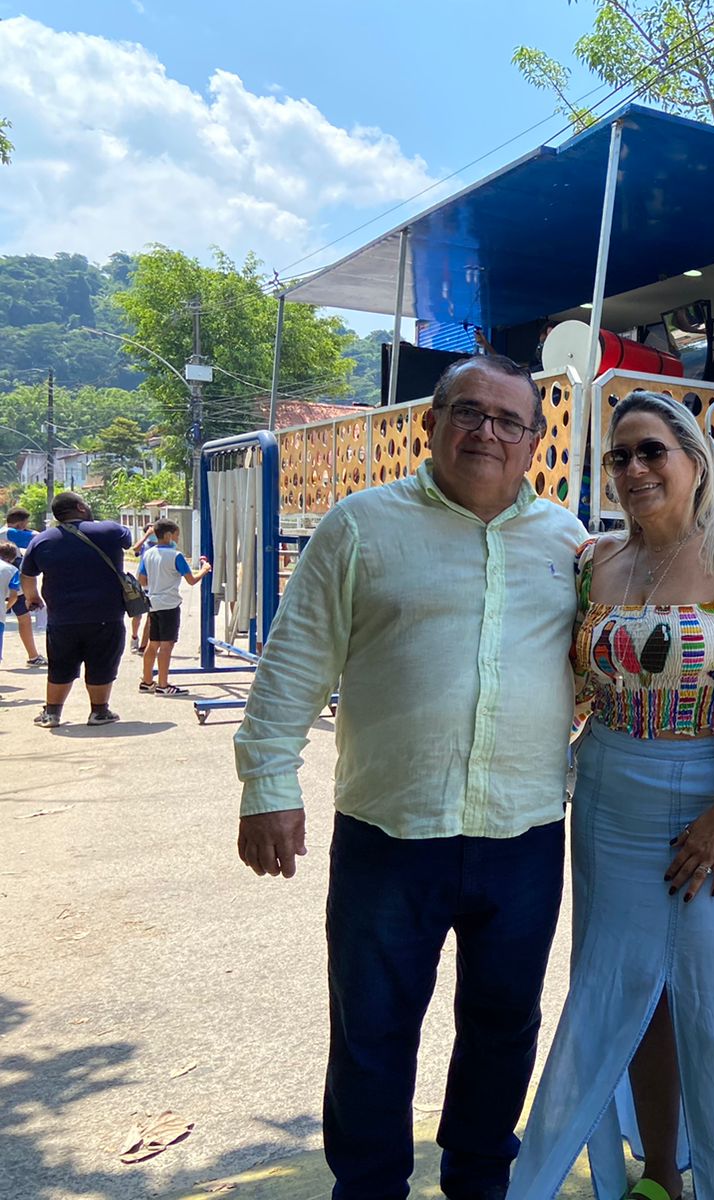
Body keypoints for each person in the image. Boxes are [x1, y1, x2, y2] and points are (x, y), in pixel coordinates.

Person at [233, 352, 585, 1200]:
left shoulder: (569, 542)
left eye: (509, 420)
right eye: (469, 411)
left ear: (535, 442)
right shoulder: (359, 526)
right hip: (391, 833)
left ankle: (479, 1182)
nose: (487, 432)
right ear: (432, 423)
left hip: (524, 833)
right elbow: (294, 662)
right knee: (372, 1032)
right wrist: (268, 784)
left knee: (504, 1027)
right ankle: (368, 1188)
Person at [510, 390, 714, 1200]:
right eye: (620, 456)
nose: (634, 468)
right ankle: (658, 1176)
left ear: (694, 462)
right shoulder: (594, 560)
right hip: (609, 800)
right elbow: (570, 681)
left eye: (651, 451)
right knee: (624, 998)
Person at [18, 492, 133, 728]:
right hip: (106, 615)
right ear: (80, 507)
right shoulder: (109, 530)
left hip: (62, 618)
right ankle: (99, 712)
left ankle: (52, 714)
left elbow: (27, 574)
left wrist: (33, 598)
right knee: (102, 664)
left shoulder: (42, 540)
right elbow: (128, 539)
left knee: (60, 665)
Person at [136, 519, 210, 696]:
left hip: (153, 602)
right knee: (166, 645)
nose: (177, 538)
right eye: (177, 535)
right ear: (169, 535)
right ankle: (163, 685)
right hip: (169, 604)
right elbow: (191, 580)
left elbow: (142, 580)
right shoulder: (176, 556)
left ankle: (147, 681)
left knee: (152, 644)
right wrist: (205, 569)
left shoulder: (148, 554)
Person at [5, 506, 45, 666]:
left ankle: (33, 656)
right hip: (11, 587)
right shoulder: (9, 533)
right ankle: (33, 656)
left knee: (24, 619)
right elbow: (39, 537)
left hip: (7, 586)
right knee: (24, 619)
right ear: (21, 524)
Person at [128, 523, 159, 654]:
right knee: (137, 615)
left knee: (151, 616)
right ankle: (134, 638)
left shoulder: (160, 546)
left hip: (154, 584)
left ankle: (144, 645)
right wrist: (146, 535)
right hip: (141, 583)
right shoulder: (145, 545)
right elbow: (135, 549)